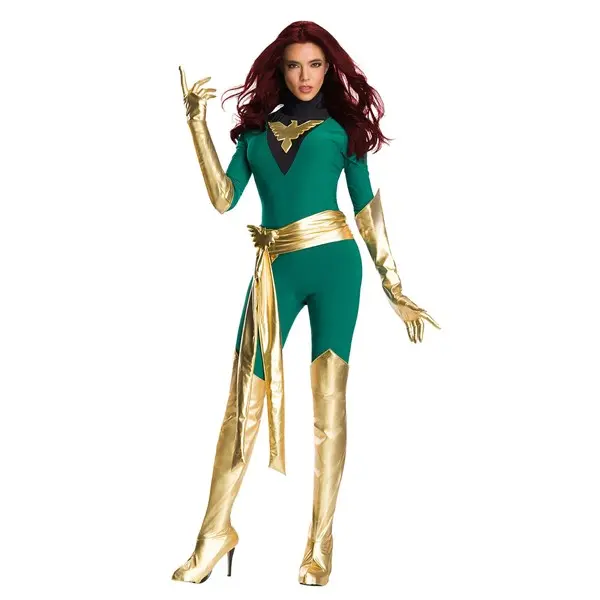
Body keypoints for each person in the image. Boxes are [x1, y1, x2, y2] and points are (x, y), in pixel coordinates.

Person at [171, 20, 440, 587]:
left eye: (315, 65)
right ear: (280, 69)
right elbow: (223, 199)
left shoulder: (343, 132)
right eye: (294, 65)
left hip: (337, 268)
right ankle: (214, 533)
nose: (305, 76)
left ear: (329, 69)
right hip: (275, 272)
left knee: (329, 404)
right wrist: (195, 124)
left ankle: (320, 543)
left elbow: (365, 209)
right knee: (242, 400)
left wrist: (395, 289)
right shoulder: (253, 135)